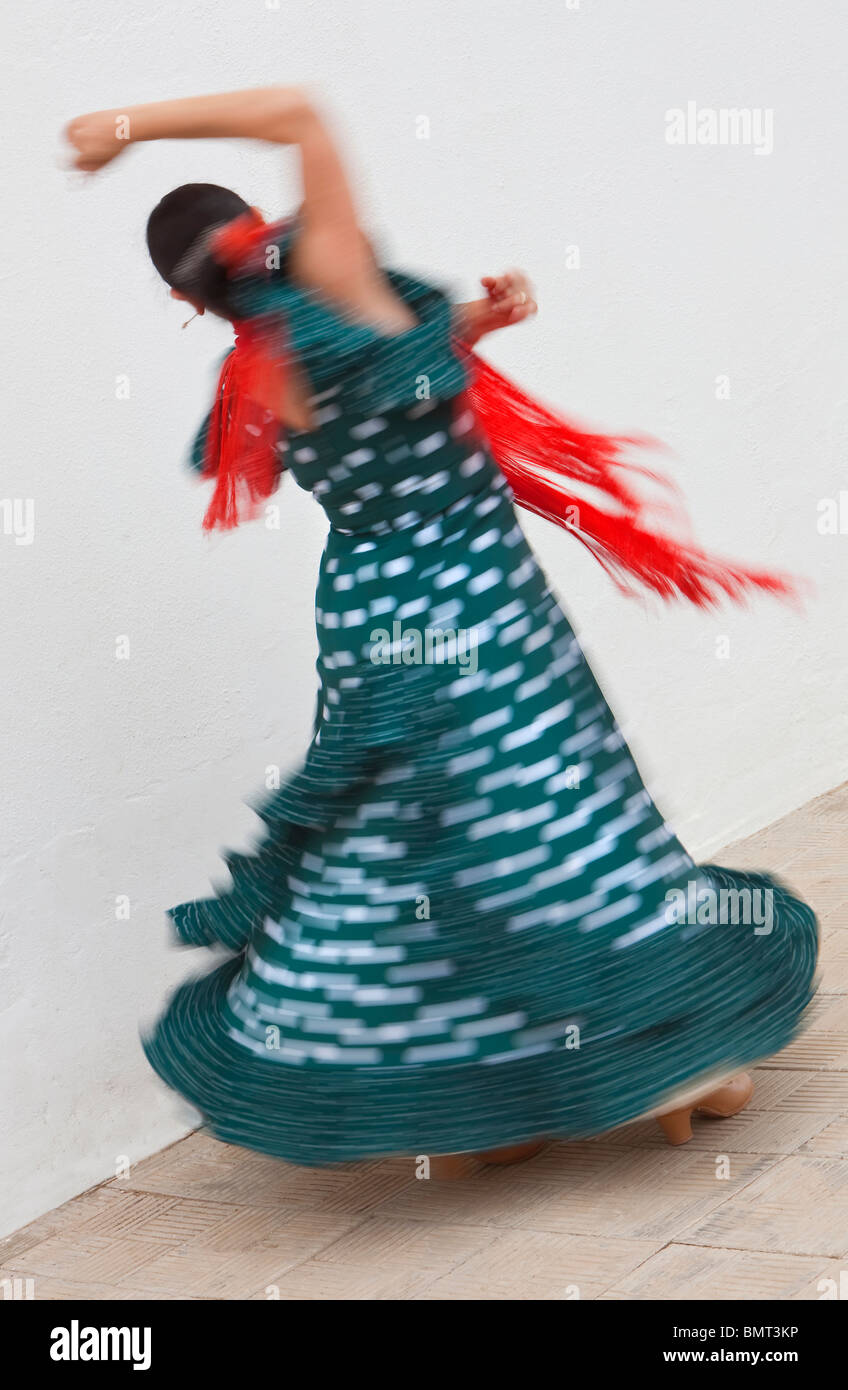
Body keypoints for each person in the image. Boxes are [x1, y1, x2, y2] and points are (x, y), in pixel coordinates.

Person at [65, 87, 818, 1173]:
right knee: (555, 810)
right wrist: (122, 130)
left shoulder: (253, 368)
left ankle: (493, 1093)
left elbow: (381, 377)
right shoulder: (332, 279)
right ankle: (676, 1060)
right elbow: (299, 115)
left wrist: (467, 325)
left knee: (421, 840)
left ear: (191, 297)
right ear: (260, 232)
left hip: (372, 620)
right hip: (474, 599)